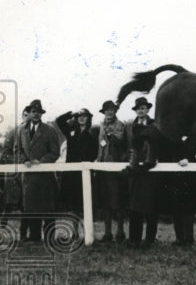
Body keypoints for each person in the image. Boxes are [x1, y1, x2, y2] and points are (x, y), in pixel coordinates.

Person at [19, 99, 61, 243]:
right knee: (31, 207)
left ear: (41, 114)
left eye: (38, 112)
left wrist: (41, 161)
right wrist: (24, 160)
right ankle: (34, 236)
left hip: (45, 176)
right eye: (33, 111)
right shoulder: (22, 130)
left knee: (47, 207)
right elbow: (17, 149)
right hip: (28, 177)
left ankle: (50, 236)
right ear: (29, 113)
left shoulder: (49, 130)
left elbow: (55, 152)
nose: (35, 114)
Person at [123, 97, 160, 247]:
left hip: (150, 169)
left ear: (148, 109)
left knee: (151, 205)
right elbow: (128, 145)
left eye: (143, 107)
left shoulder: (154, 124)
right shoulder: (130, 126)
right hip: (135, 169)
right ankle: (134, 239)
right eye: (138, 108)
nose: (141, 110)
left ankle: (150, 239)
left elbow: (157, 143)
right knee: (135, 204)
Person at [95, 100, 129, 243]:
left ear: (115, 111)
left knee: (118, 201)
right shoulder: (102, 126)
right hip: (104, 168)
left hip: (116, 168)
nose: (109, 112)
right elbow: (101, 146)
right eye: (107, 110)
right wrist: (98, 160)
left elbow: (120, 142)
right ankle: (107, 233)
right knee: (105, 201)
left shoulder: (119, 125)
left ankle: (120, 232)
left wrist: (111, 136)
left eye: (111, 110)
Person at [54, 107, 98, 217]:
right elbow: (59, 120)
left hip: (85, 172)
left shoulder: (92, 134)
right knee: (73, 205)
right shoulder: (71, 131)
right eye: (79, 116)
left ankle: (88, 232)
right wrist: (71, 114)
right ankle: (74, 231)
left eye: (84, 116)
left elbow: (94, 154)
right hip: (71, 173)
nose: (81, 118)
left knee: (85, 202)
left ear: (88, 118)